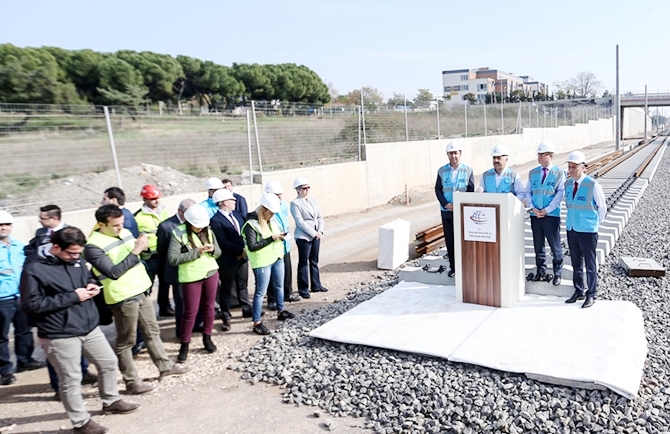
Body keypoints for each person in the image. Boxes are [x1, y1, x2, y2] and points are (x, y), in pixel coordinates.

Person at [20, 227, 139, 434]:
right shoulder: (34, 269)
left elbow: (86, 278)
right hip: (59, 333)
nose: (76, 257)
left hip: (88, 326)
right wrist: (74, 296)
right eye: (71, 253)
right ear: (55, 247)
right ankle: (81, 422)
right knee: (71, 379)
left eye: (78, 253)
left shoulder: (76, 260)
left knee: (109, 363)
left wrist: (91, 285)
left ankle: (110, 400)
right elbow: (31, 305)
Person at [85, 205, 189, 395]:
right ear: (101, 224)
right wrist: (136, 250)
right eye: (115, 225)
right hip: (123, 297)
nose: (120, 228)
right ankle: (131, 381)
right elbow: (113, 272)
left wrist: (144, 248)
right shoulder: (93, 246)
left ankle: (165, 367)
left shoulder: (124, 232)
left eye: (121, 223)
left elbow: (137, 254)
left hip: (140, 290)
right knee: (127, 341)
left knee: (152, 330)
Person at [168, 204, 221, 362]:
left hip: (210, 273)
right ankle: (185, 345)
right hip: (191, 277)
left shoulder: (208, 230)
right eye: (197, 227)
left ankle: (207, 337)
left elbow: (218, 252)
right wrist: (195, 253)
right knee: (190, 312)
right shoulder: (178, 233)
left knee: (209, 307)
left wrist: (212, 250)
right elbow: (173, 259)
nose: (200, 229)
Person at [0, 210, 44, 386]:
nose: (3, 228)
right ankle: (5, 370)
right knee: (1, 335)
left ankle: (25, 360)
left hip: (22, 296)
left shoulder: (20, 246)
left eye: (6, 224)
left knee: (24, 330)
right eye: (0, 225)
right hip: (2, 299)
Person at [243, 194, 295, 335]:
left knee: (279, 286)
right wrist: (272, 239)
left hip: (276, 258)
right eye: (270, 213)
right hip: (262, 262)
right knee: (260, 292)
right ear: (263, 209)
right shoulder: (251, 225)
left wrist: (280, 236)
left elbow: (274, 234)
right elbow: (252, 246)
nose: (272, 216)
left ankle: (281, 310)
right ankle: (257, 322)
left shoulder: (270, 221)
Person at [563, 151, 607, 308]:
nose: (571, 170)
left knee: (590, 264)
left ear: (583, 167)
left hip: (588, 231)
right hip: (572, 229)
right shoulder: (568, 184)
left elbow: (602, 207)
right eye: (569, 167)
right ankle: (579, 290)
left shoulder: (592, 184)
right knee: (576, 263)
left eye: (574, 167)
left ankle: (592, 293)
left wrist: (594, 224)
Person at [523, 141, 565, 286]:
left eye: (542, 154)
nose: (539, 157)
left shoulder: (559, 173)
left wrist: (547, 210)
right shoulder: (533, 172)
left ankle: (557, 273)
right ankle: (541, 271)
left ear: (550, 155)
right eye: (539, 154)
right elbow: (527, 191)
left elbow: (560, 194)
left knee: (555, 246)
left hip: (551, 215)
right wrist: (532, 207)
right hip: (535, 215)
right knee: (538, 245)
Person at [209, 189, 252, 331]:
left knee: (242, 284)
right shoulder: (215, 220)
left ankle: (246, 308)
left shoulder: (238, 215)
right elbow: (222, 241)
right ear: (224, 203)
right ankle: (226, 316)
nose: (235, 202)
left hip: (242, 257)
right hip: (228, 259)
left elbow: (244, 233)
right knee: (227, 289)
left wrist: (245, 250)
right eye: (232, 200)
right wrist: (239, 251)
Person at [434, 141, 475, 278]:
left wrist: (461, 204)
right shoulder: (442, 171)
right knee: (450, 241)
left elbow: (470, 190)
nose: (453, 156)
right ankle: (454, 267)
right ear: (447, 155)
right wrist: (445, 204)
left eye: (455, 153)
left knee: (463, 240)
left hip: (462, 212)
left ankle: (465, 267)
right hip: (447, 212)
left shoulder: (468, 170)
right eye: (451, 153)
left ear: (460, 154)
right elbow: (438, 189)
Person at [157, 199, 196, 339]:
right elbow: (162, 253)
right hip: (177, 272)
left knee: (193, 301)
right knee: (181, 303)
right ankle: (181, 332)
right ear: (180, 212)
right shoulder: (166, 226)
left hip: (194, 270)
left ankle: (195, 325)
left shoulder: (194, 224)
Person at [134, 184, 171, 316]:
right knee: (147, 285)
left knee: (165, 282)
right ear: (144, 200)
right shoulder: (138, 217)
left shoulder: (163, 211)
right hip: (149, 256)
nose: (156, 201)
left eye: (157, 198)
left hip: (164, 253)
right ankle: (146, 312)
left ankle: (165, 307)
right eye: (152, 199)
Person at [265, 180, 301, 309]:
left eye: (280, 194)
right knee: (273, 273)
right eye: (277, 194)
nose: (279, 196)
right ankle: (272, 299)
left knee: (287, 269)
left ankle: (287, 292)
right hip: (273, 243)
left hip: (284, 241)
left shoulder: (284, 205)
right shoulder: (265, 208)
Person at [290, 177, 327, 298]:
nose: (306, 190)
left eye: (308, 187)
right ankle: (303, 288)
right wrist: (313, 233)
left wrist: (320, 230)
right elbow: (300, 222)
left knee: (314, 260)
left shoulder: (312, 200)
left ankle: (316, 285)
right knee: (303, 262)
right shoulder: (295, 203)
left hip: (316, 234)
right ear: (298, 190)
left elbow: (320, 216)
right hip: (304, 237)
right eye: (304, 188)